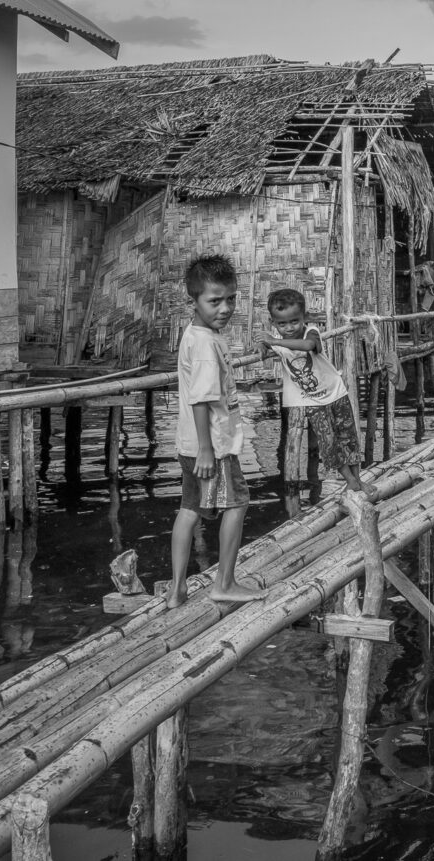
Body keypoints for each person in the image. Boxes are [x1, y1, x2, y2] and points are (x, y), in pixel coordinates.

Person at [167, 255, 266, 610]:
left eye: (230, 299)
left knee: (190, 508)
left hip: (190, 443)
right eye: (214, 301)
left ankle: (177, 590)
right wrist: (208, 450)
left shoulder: (198, 336)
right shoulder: (207, 345)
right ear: (192, 301)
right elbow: (202, 400)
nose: (225, 308)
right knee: (237, 503)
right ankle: (224, 582)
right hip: (213, 445)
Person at [258, 288, 378, 501]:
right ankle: (350, 481)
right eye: (281, 324)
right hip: (312, 402)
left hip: (335, 393)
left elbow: (308, 346)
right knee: (328, 444)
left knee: (349, 439)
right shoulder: (278, 340)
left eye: (294, 321)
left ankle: (357, 480)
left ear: (304, 318)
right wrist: (262, 344)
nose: (288, 328)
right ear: (273, 322)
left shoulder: (309, 331)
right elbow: (262, 347)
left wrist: (274, 342)